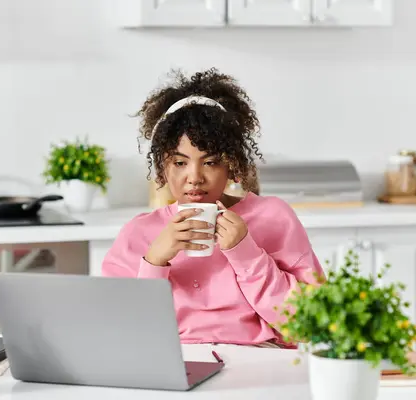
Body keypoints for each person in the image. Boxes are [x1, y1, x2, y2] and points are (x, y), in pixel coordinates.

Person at [101, 68, 325, 348]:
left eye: (210, 162)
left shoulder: (273, 217)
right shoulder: (138, 233)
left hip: (257, 363)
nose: (194, 177)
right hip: (173, 363)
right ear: (162, 168)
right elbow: (118, 335)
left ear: (232, 165)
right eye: (180, 163)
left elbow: (314, 325)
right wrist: (154, 262)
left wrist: (246, 254)